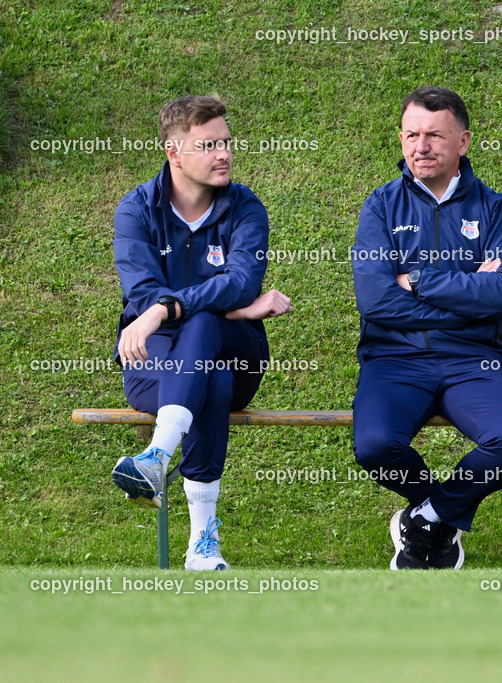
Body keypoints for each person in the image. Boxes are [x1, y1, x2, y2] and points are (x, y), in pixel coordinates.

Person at [351, 86, 502, 570]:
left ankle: (429, 519)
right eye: (411, 135)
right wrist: (465, 296)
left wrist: (418, 281)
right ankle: (438, 513)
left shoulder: (494, 209)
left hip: (472, 359)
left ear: (463, 142)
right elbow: (374, 299)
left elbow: (500, 294)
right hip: (394, 359)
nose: (420, 146)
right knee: (373, 445)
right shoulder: (381, 206)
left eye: (434, 135)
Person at [111, 95, 292, 570]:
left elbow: (241, 281)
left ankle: (157, 453)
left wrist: (167, 309)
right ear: (174, 152)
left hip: (239, 354)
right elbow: (143, 289)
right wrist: (235, 308)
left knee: (212, 328)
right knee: (211, 379)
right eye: (208, 145)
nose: (224, 154)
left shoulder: (246, 207)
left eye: (226, 143)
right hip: (156, 365)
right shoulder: (136, 210)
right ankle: (201, 545)